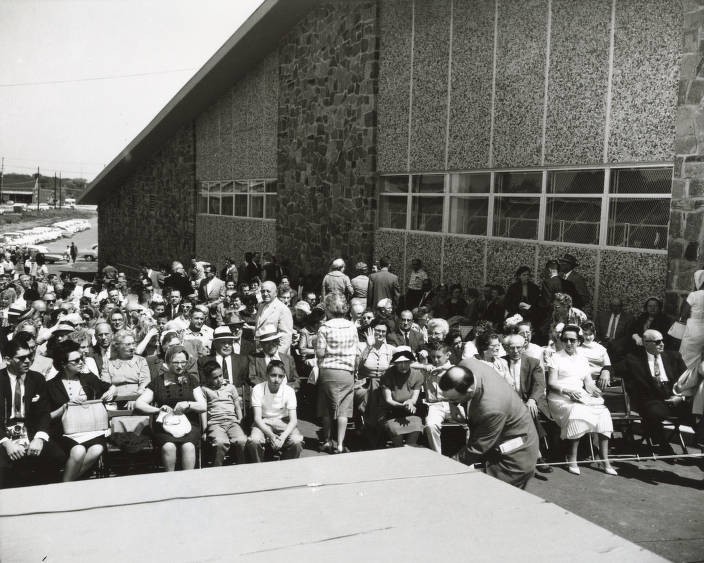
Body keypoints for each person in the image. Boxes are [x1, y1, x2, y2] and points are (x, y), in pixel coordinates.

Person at [439, 357, 539, 489]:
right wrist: (454, 404)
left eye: (454, 399)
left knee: (492, 495)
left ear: (468, 391)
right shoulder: (467, 364)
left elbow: (477, 448)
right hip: (496, 440)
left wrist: (447, 468)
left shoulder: (491, 409)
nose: (451, 402)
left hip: (515, 457)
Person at [546, 324, 617, 476]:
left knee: (603, 413)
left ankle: (605, 461)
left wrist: (594, 390)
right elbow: (551, 383)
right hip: (560, 396)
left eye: (572, 340)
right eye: (565, 340)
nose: (569, 343)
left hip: (579, 394)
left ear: (579, 341)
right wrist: (566, 391)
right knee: (578, 412)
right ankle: (572, 459)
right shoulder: (556, 357)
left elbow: (588, 382)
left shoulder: (582, 359)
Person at [0, 338, 66, 488]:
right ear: (7, 360)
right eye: (21, 358)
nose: (28, 361)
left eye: (29, 356)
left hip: (30, 433)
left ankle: (41, 496)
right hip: (3, 434)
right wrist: (6, 443)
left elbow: (43, 413)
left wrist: (39, 438)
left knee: (57, 456)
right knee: (3, 466)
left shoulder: (37, 379)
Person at [46, 341, 116, 481]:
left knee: (97, 449)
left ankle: (65, 482)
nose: (81, 362)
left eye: (82, 358)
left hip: (90, 428)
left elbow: (108, 386)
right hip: (65, 432)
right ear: (63, 363)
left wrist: (113, 389)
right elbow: (47, 416)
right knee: (78, 452)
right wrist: (65, 406)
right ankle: (67, 484)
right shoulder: (51, 386)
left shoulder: (87, 378)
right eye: (76, 360)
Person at [616, 329, 690, 458]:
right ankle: (663, 443)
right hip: (652, 400)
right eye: (657, 342)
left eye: (662, 340)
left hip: (675, 397)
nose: (662, 344)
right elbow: (613, 368)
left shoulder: (674, 356)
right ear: (645, 343)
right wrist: (605, 370)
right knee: (653, 412)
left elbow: (688, 379)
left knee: (698, 409)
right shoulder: (633, 359)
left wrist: (680, 397)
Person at [135, 345, 206, 471]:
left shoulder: (191, 379)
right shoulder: (158, 382)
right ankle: (170, 481)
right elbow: (139, 404)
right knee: (169, 446)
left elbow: (203, 405)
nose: (180, 366)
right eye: (176, 362)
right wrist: (158, 410)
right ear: (167, 362)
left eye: (183, 362)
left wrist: (188, 404)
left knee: (188, 446)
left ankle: (189, 481)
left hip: (189, 423)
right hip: (165, 425)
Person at [315, 292, 359, 454]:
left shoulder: (324, 328)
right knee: (344, 409)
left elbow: (320, 353)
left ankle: (327, 440)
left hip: (328, 371)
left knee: (326, 408)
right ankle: (340, 443)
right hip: (346, 371)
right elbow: (356, 353)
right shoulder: (352, 327)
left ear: (328, 309)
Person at [502, 334, 552, 473]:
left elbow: (540, 385)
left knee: (528, 411)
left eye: (519, 347)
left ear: (524, 347)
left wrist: (532, 399)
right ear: (506, 348)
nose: (516, 351)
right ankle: (537, 455)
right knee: (524, 414)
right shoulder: (500, 362)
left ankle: (531, 456)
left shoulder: (533, 362)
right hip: (508, 402)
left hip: (528, 401)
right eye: (512, 348)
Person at [246, 359, 303, 462]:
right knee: (254, 440)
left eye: (280, 376)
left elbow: (293, 420)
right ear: (267, 375)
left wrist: (282, 438)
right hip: (263, 421)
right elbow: (257, 418)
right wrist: (272, 436)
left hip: (283, 421)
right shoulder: (258, 389)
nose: (277, 379)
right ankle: (259, 466)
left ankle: (286, 465)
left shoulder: (289, 391)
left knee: (297, 441)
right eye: (273, 375)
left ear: (284, 377)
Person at [200, 360, 247, 465]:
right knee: (220, 443)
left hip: (232, 422)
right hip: (215, 424)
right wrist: (204, 430)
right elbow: (203, 410)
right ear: (207, 378)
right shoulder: (204, 390)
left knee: (242, 440)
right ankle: (218, 468)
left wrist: (240, 421)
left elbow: (237, 406)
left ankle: (243, 467)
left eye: (220, 376)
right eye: (215, 378)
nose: (219, 380)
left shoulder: (230, 387)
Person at [422, 343, 466, 453]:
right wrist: (424, 364)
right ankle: (438, 455)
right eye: (433, 357)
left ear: (448, 355)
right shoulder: (428, 369)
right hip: (435, 405)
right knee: (430, 425)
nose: (435, 360)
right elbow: (411, 365)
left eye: (438, 357)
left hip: (453, 404)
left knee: (471, 423)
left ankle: (468, 459)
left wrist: (442, 368)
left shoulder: (454, 369)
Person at [379, 347, 424, 447]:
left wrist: (410, 402)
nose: (403, 365)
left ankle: (410, 450)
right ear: (395, 363)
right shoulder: (386, 375)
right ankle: (399, 450)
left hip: (411, 411)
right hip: (392, 412)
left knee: (416, 427)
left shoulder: (417, 375)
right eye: (400, 362)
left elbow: (414, 398)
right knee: (395, 431)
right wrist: (401, 405)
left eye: (406, 362)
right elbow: (388, 399)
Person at [101, 329, 150, 399]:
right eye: (128, 344)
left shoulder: (141, 361)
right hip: (114, 400)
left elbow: (145, 382)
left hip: (137, 399)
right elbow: (105, 384)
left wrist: (135, 399)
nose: (132, 347)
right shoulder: (108, 363)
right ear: (117, 345)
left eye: (133, 343)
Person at [255, 281, 293, 355]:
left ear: (275, 293)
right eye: (263, 291)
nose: (265, 294)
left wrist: (277, 357)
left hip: (275, 354)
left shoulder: (282, 309)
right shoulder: (261, 306)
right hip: (261, 352)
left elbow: (286, 337)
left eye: (268, 291)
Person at [578, 321, 612, 388]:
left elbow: (607, 365)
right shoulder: (577, 347)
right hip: (581, 381)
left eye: (590, 334)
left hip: (599, 382)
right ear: (581, 334)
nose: (588, 337)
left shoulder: (601, 348)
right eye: (585, 334)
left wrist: (606, 372)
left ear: (595, 333)